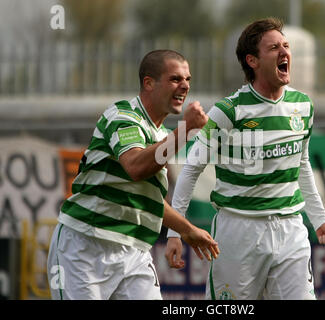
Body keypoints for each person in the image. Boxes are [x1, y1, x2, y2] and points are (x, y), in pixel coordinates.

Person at [165, 18, 325, 300]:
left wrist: (320, 219)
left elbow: (301, 163)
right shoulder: (228, 111)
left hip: (290, 227)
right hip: (238, 231)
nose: (284, 52)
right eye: (273, 48)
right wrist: (176, 232)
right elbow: (191, 168)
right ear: (253, 60)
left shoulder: (303, 105)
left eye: (286, 46)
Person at [47, 49, 219, 300]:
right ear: (148, 83)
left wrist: (186, 229)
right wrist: (185, 130)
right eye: (175, 79)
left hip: (133, 251)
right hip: (85, 245)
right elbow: (136, 167)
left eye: (188, 80)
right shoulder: (123, 116)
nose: (184, 86)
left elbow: (150, 199)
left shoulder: (162, 136)